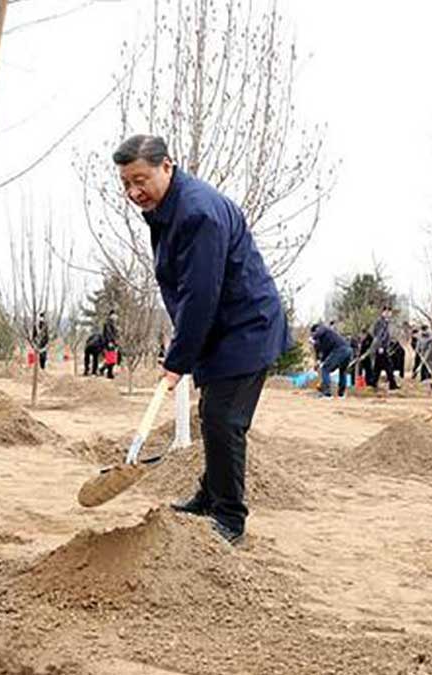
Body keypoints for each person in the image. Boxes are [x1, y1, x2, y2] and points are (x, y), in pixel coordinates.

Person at [114, 134, 290, 544]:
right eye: (126, 184)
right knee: (213, 414)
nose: (134, 191)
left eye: (140, 180)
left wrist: (178, 361)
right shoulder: (169, 210)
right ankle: (210, 496)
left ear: (167, 166)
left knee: (224, 420)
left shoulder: (197, 214)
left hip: (246, 327)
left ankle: (230, 517)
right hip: (223, 331)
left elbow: (201, 294)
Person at [311, 322, 351, 399]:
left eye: (313, 333)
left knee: (325, 369)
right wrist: (318, 362)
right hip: (348, 351)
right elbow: (324, 354)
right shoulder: (325, 340)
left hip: (341, 350)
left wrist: (313, 338)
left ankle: (327, 393)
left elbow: (320, 331)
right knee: (342, 371)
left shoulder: (323, 329)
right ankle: (341, 394)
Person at [370, 306, 399, 391]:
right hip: (381, 347)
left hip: (384, 347)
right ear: (383, 312)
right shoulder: (380, 322)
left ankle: (373, 383)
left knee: (378, 367)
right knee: (388, 366)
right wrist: (380, 347)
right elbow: (378, 335)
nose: (389, 314)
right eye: (387, 312)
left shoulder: (386, 322)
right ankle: (392, 384)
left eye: (390, 312)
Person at [100, 311, 119, 379]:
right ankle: (109, 373)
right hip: (109, 343)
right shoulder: (108, 323)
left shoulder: (113, 323)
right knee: (111, 359)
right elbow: (108, 333)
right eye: (115, 315)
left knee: (112, 359)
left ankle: (103, 370)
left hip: (112, 342)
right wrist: (110, 342)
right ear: (111, 315)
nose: (116, 317)